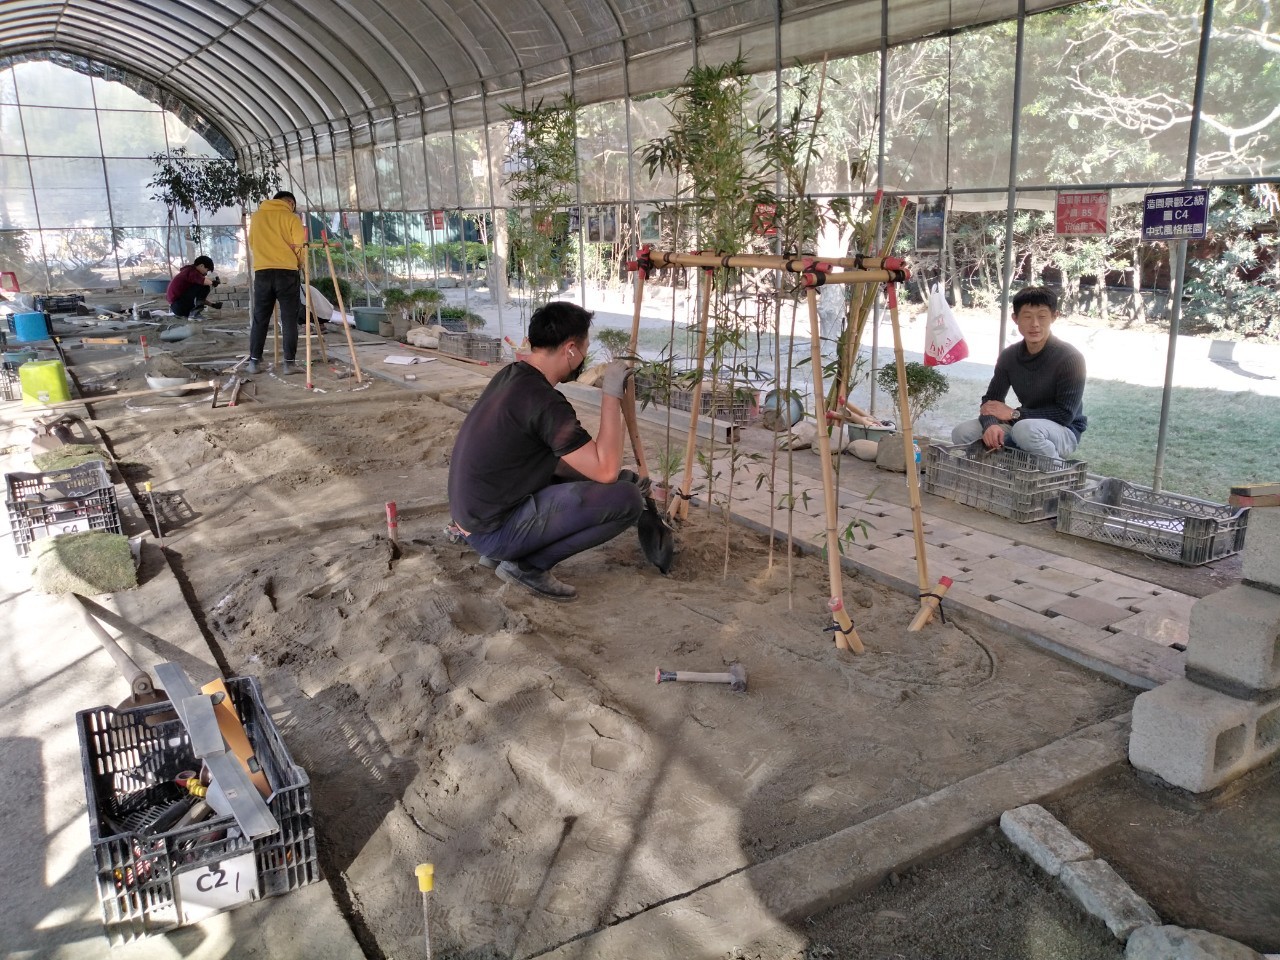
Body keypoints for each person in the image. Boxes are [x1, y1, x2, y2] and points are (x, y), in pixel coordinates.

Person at [447, 301, 645, 602]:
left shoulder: (512, 375)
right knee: (627, 500)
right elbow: (605, 470)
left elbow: (557, 461)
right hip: (491, 531)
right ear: (570, 349)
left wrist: (617, 476)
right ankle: (527, 566)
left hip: (473, 519)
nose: (584, 357)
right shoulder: (544, 402)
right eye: (585, 348)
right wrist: (610, 396)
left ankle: (503, 552)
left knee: (610, 480)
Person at [951, 286, 1087, 459]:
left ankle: (1057, 470)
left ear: (1054, 316)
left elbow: (1065, 414)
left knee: (1025, 430)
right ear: (1015, 319)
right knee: (962, 432)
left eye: (1042, 316)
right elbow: (991, 400)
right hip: (1024, 423)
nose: (1035, 324)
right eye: (1027, 316)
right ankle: (1000, 471)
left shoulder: (1070, 358)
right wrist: (990, 425)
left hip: (1064, 430)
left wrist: (1014, 414)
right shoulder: (1009, 356)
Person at [246, 191, 306, 375]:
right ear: (290, 203)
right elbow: (300, 246)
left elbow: (252, 243)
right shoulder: (292, 218)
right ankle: (289, 364)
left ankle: (254, 362)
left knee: (260, 317)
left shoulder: (257, 217)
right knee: (289, 319)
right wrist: (300, 264)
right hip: (287, 272)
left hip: (262, 272)